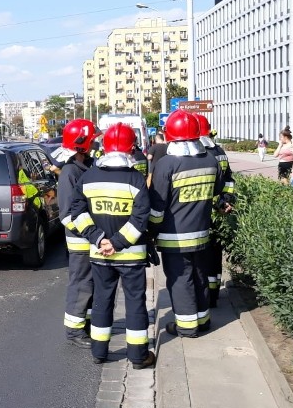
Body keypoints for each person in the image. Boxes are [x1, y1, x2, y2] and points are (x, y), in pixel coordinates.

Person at [70, 122, 157, 369]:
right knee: (135, 303)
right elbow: (141, 218)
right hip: (130, 255)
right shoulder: (135, 179)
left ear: (104, 148)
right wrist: (117, 243)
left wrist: (99, 239)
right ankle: (139, 356)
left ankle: (99, 352)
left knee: (102, 301)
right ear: (131, 149)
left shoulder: (88, 176)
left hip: (100, 255)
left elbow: (77, 211)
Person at [151, 110, 228, 337]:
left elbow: (157, 208)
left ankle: (186, 326)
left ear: (170, 135)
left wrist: (151, 231)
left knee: (180, 279)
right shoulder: (211, 159)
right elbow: (217, 191)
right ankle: (203, 320)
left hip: (174, 237)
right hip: (202, 233)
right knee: (199, 275)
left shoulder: (166, 165)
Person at [54, 119, 100, 349]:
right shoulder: (70, 173)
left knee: (91, 284)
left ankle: (87, 323)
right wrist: (91, 233)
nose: (95, 143)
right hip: (81, 240)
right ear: (82, 143)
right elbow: (67, 215)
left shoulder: (88, 166)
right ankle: (74, 330)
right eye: (92, 140)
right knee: (81, 284)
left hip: (90, 238)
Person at [194, 114, 235, 308]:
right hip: (218, 211)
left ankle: (203, 296)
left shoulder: (197, 154)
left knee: (201, 256)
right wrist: (226, 201)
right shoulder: (219, 152)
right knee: (215, 253)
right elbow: (229, 180)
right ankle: (214, 292)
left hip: (199, 212)